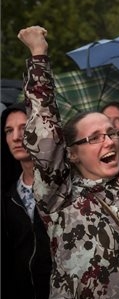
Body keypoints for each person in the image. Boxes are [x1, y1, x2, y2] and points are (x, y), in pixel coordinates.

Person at [18, 26, 119, 298]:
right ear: (72, 153)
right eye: (94, 138)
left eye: (111, 133)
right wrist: (38, 55)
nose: (109, 141)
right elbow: (45, 138)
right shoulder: (61, 196)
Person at [1, 102, 52, 299]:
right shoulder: (8, 193)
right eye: (8, 130)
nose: (16, 137)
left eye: (24, 128)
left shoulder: (63, 189)